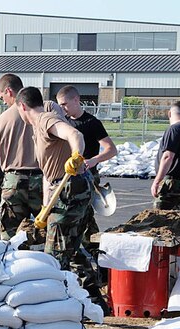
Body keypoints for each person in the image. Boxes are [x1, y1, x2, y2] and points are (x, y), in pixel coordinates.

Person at [16, 86, 109, 313]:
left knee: (54, 255)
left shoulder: (45, 120)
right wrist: (45, 209)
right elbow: (49, 173)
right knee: (72, 247)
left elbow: (74, 135)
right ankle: (94, 299)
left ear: (22, 106)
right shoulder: (38, 125)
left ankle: (57, 309)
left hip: (70, 189)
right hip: (63, 188)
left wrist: (77, 155)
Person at [57, 85, 117, 283]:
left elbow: (111, 149)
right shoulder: (61, 122)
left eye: (65, 104)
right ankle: (95, 266)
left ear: (76, 100)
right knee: (81, 224)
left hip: (87, 178)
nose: (62, 108)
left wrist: (94, 160)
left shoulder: (91, 122)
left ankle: (103, 267)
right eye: (60, 105)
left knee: (85, 222)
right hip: (66, 180)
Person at [0, 74, 43, 240]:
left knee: (9, 233)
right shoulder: (42, 113)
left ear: (8, 91)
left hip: (13, 181)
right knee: (46, 230)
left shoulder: (2, 120)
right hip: (40, 179)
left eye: (2, 97)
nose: (4, 102)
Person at [151, 101, 180, 210]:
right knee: (174, 215)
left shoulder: (174, 129)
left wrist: (157, 181)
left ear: (169, 114)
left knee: (161, 217)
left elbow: (168, 157)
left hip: (171, 183)